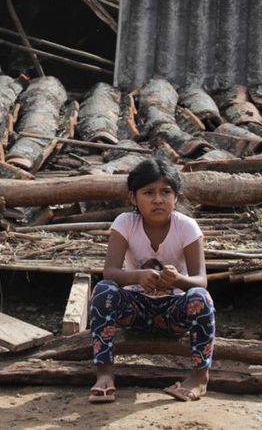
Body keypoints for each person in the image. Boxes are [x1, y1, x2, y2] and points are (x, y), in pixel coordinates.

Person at [88, 157, 215, 403]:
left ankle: (200, 378)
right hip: (135, 311)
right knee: (104, 290)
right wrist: (137, 276)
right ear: (132, 198)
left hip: (174, 314)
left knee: (201, 298)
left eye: (165, 192)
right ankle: (104, 374)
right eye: (148, 193)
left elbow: (201, 280)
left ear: (176, 197)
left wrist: (178, 280)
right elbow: (110, 272)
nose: (158, 199)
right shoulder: (125, 223)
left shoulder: (187, 227)